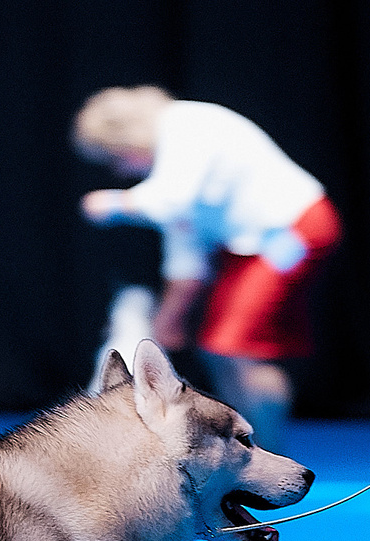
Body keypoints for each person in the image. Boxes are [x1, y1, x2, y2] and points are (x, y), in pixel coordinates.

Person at [75, 88, 342, 457]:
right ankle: (244, 447)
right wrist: (169, 320)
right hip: (251, 245)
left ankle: (271, 454)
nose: (120, 172)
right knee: (217, 349)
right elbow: (186, 258)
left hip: (294, 229)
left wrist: (114, 203)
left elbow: (172, 201)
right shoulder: (170, 165)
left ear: (125, 140)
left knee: (237, 347)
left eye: (116, 159)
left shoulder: (189, 125)